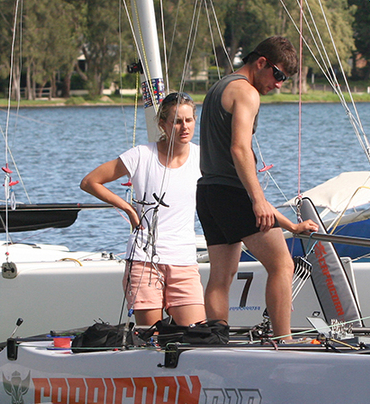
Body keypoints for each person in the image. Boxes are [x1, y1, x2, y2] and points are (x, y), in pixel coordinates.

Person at [196, 36, 318, 341]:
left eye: (285, 80)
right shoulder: (247, 93)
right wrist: (259, 200)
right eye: (277, 75)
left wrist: (290, 224)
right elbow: (239, 149)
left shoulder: (218, 88)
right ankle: (284, 340)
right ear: (261, 62)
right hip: (232, 191)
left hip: (208, 192)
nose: (278, 85)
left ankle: (217, 339)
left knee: (221, 276)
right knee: (282, 264)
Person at [81, 92, 206, 327]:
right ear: (163, 124)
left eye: (189, 120)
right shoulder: (140, 155)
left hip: (184, 260)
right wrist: (127, 207)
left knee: (196, 335)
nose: (184, 127)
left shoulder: (202, 157)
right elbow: (90, 182)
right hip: (143, 260)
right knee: (151, 341)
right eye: (177, 121)